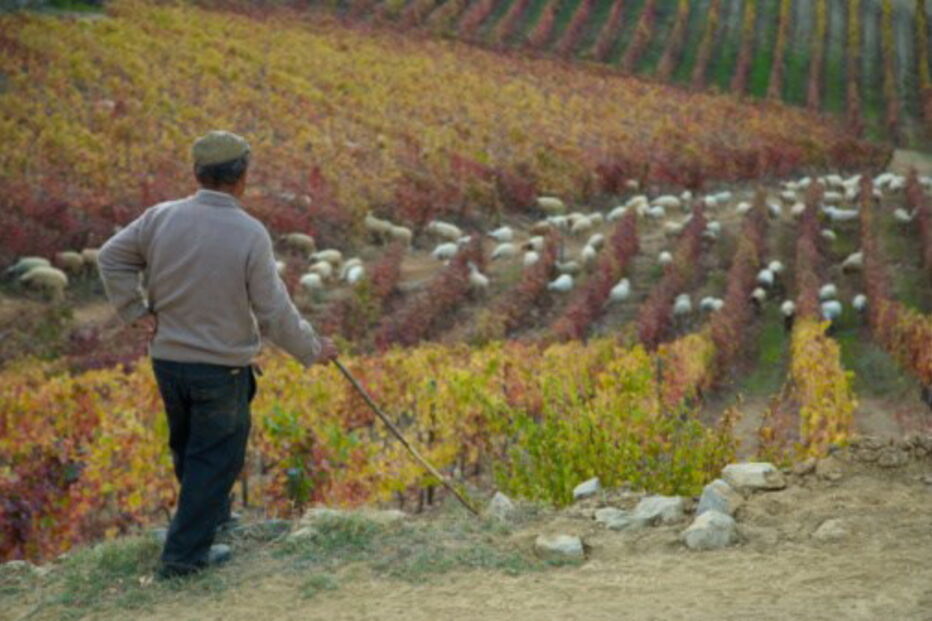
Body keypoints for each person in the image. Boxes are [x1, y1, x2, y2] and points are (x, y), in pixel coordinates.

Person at [98, 130, 337, 579]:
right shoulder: (249, 233)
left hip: (168, 362)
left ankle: (213, 523)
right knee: (216, 459)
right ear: (243, 176)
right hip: (220, 369)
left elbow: (111, 257)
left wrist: (134, 310)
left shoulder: (160, 216)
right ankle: (183, 560)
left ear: (196, 173)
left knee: (189, 449)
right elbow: (273, 312)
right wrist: (313, 349)